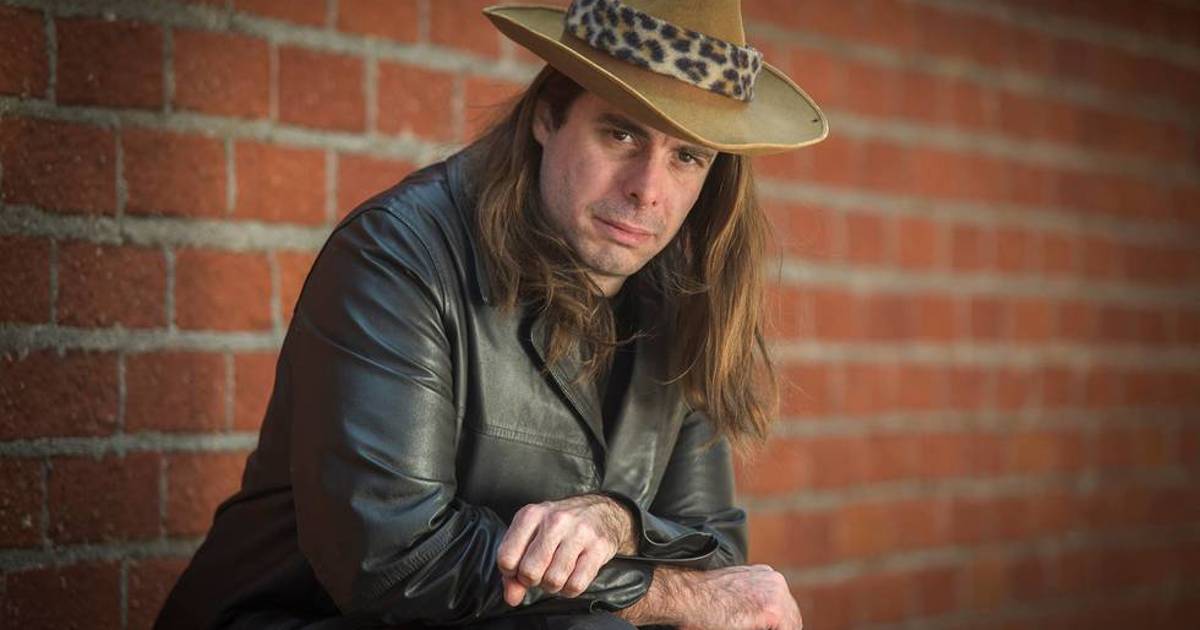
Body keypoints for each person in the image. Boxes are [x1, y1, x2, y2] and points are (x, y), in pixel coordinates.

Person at [154, 1, 827, 628]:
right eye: (621, 133)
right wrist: (654, 591)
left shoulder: (680, 302)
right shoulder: (401, 256)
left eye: (686, 157)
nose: (648, 190)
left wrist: (617, 522)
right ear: (548, 115)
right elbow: (392, 560)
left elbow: (717, 563)